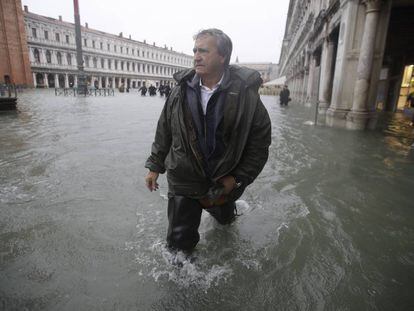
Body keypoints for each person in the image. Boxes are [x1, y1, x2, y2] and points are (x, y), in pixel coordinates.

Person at [144, 28, 271, 252]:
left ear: (223, 56)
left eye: (203, 51)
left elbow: (259, 145)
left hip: (222, 179)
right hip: (183, 176)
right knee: (178, 246)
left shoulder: (246, 96)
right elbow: (164, 129)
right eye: (194, 50)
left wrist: (238, 178)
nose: (196, 56)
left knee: (225, 225)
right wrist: (155, 166)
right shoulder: (180, 91)